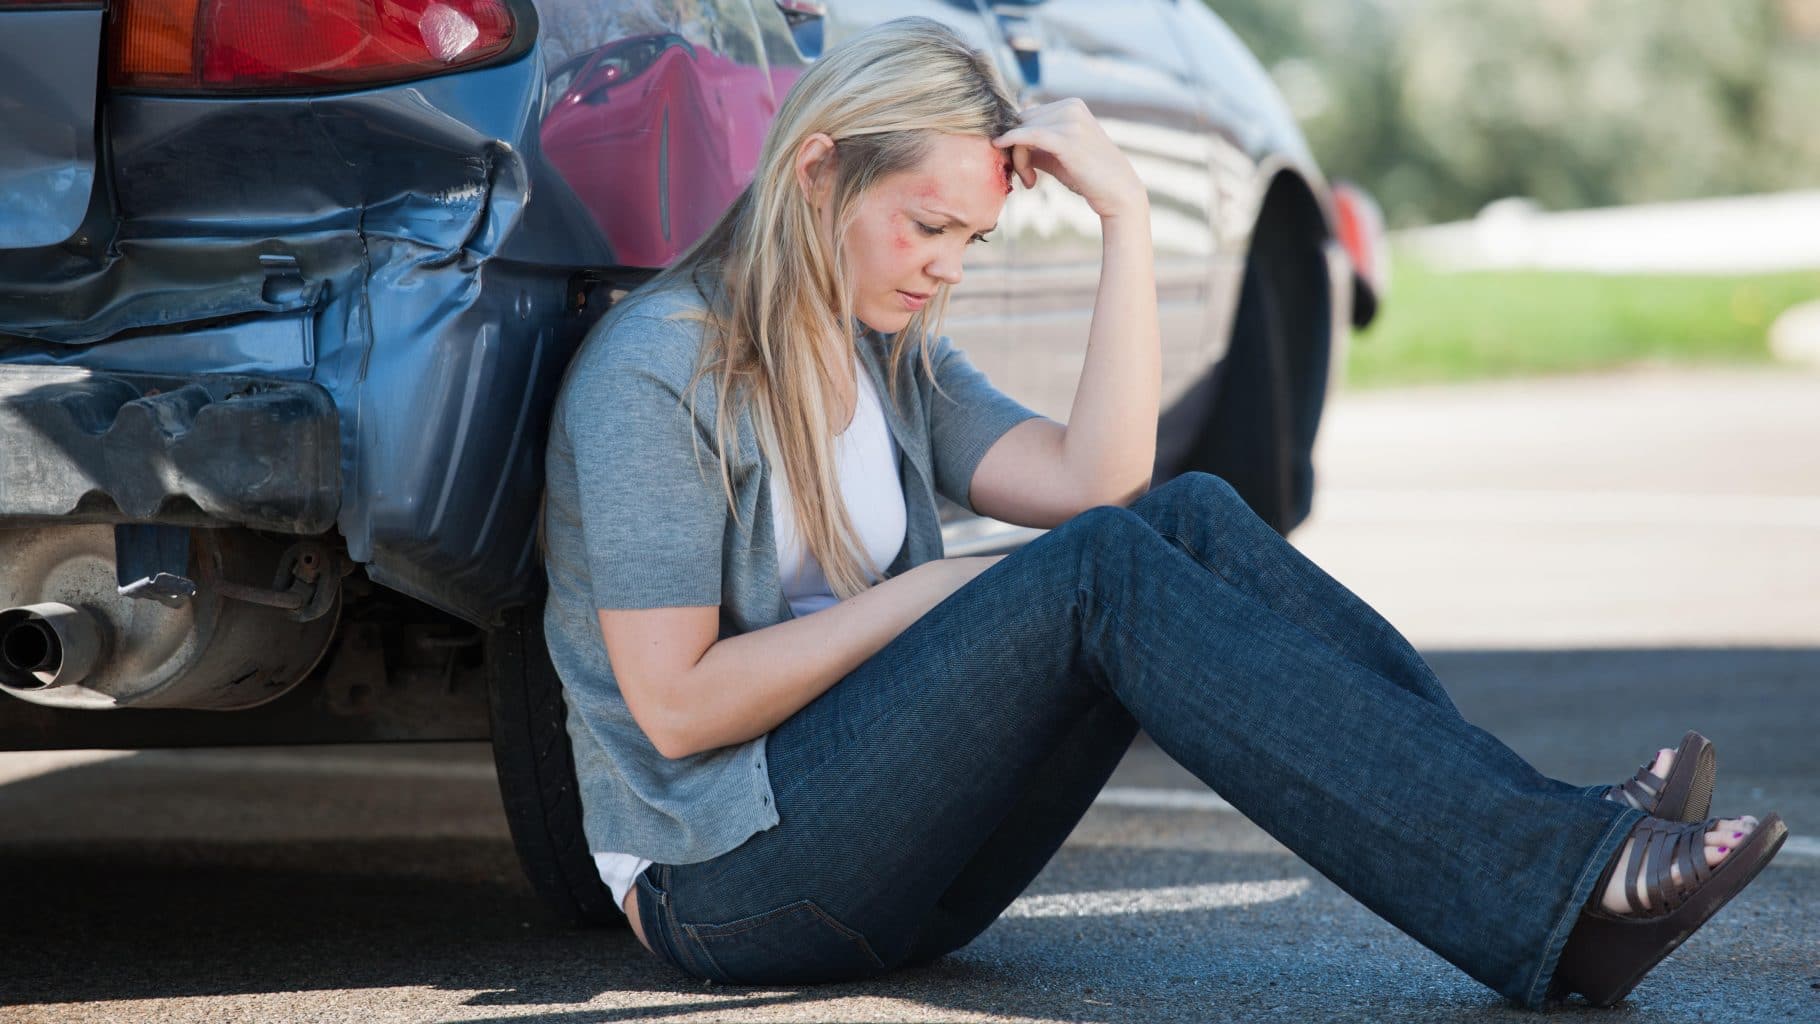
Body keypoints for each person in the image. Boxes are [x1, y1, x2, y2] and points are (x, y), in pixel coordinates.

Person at [537, 17, 1785, 1010]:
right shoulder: (661, 372)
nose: (944, 269)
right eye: (925, 226)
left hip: (891, 864)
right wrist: (931, 591)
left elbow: (1102, 484)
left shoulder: (887, 353)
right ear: (817, 171)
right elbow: (677, 703)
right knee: (1095, 575)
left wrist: (1125, 214)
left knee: (1178, 515)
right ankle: (1558, 877)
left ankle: (1547, 847)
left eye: (968, 238)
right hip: (725, 881)